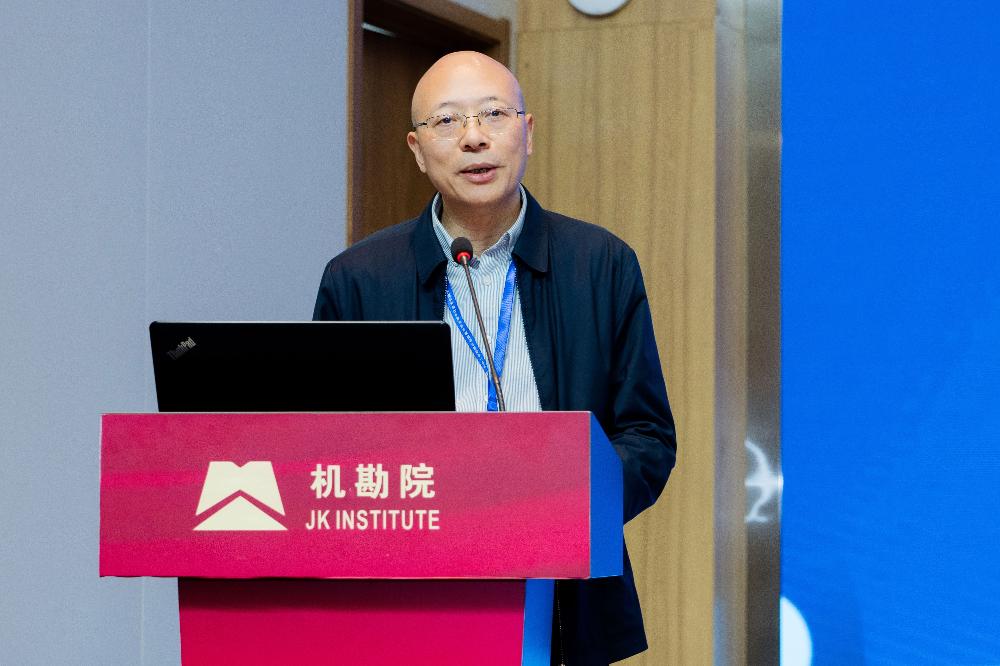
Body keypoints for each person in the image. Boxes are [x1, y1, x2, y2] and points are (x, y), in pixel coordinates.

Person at [313, 51, 676, 666]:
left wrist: (567, 508)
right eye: (447, 121)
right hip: (407, 597)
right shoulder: (358, 279)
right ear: (417, 149)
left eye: (493, 114)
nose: (474, 137)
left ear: (527, 133)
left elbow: (647, 434)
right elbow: (325, 445)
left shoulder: (601, 265)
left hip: (562, 599)